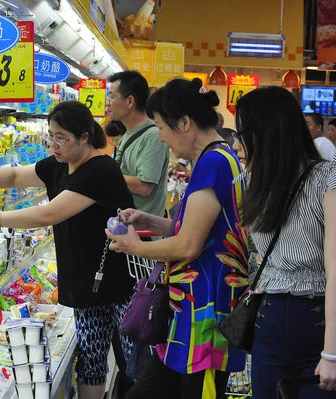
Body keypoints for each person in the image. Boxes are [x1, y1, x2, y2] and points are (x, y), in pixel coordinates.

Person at [0, 101, 135, 399]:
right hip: (86, 279)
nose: (54, 144)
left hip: (119, 279)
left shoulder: (101, 169)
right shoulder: (58, 163)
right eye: (51, 135)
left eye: (62, 137)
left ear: (85, 137)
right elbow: (15, 176)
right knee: (91, 360)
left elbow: (49, 214)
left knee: (135, 360)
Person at [105, 78, 248, 399]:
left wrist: (135, 246)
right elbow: (198, 231)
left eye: (161, 126)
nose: (160, 136)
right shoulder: (218, 159)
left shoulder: (213, 163)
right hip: (192, 315)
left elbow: (188, 245)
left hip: (206, 318)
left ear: (184, 122)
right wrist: (149, 220)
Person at [235, 86, 336, 399]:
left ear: (267, 132)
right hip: (269, 319)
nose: (238, 143)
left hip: (320, 321)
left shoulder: (331, 178)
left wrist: (332, 353)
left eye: (244, 133)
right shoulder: (253, 180)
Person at [108, 70, 170, 219]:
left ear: (130, 101)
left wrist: (103, 175)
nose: (107, 102)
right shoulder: (128, 134)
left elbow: (144, 187)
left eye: (111, 96)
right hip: (128, 225)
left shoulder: (153, 136)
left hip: (144, 232)